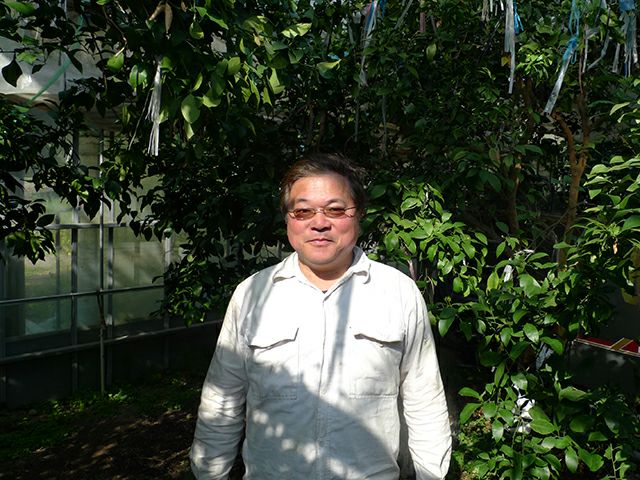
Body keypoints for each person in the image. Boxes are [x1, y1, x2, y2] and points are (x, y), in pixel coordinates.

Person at [190, 153, 452, 479]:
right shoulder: (252, 294)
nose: (319, 223)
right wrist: (209, 473)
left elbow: (424, 400)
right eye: (303, 211)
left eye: (335, 209)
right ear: (288, 218)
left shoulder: (398, 293)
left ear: (359, 215)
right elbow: (222, 399)